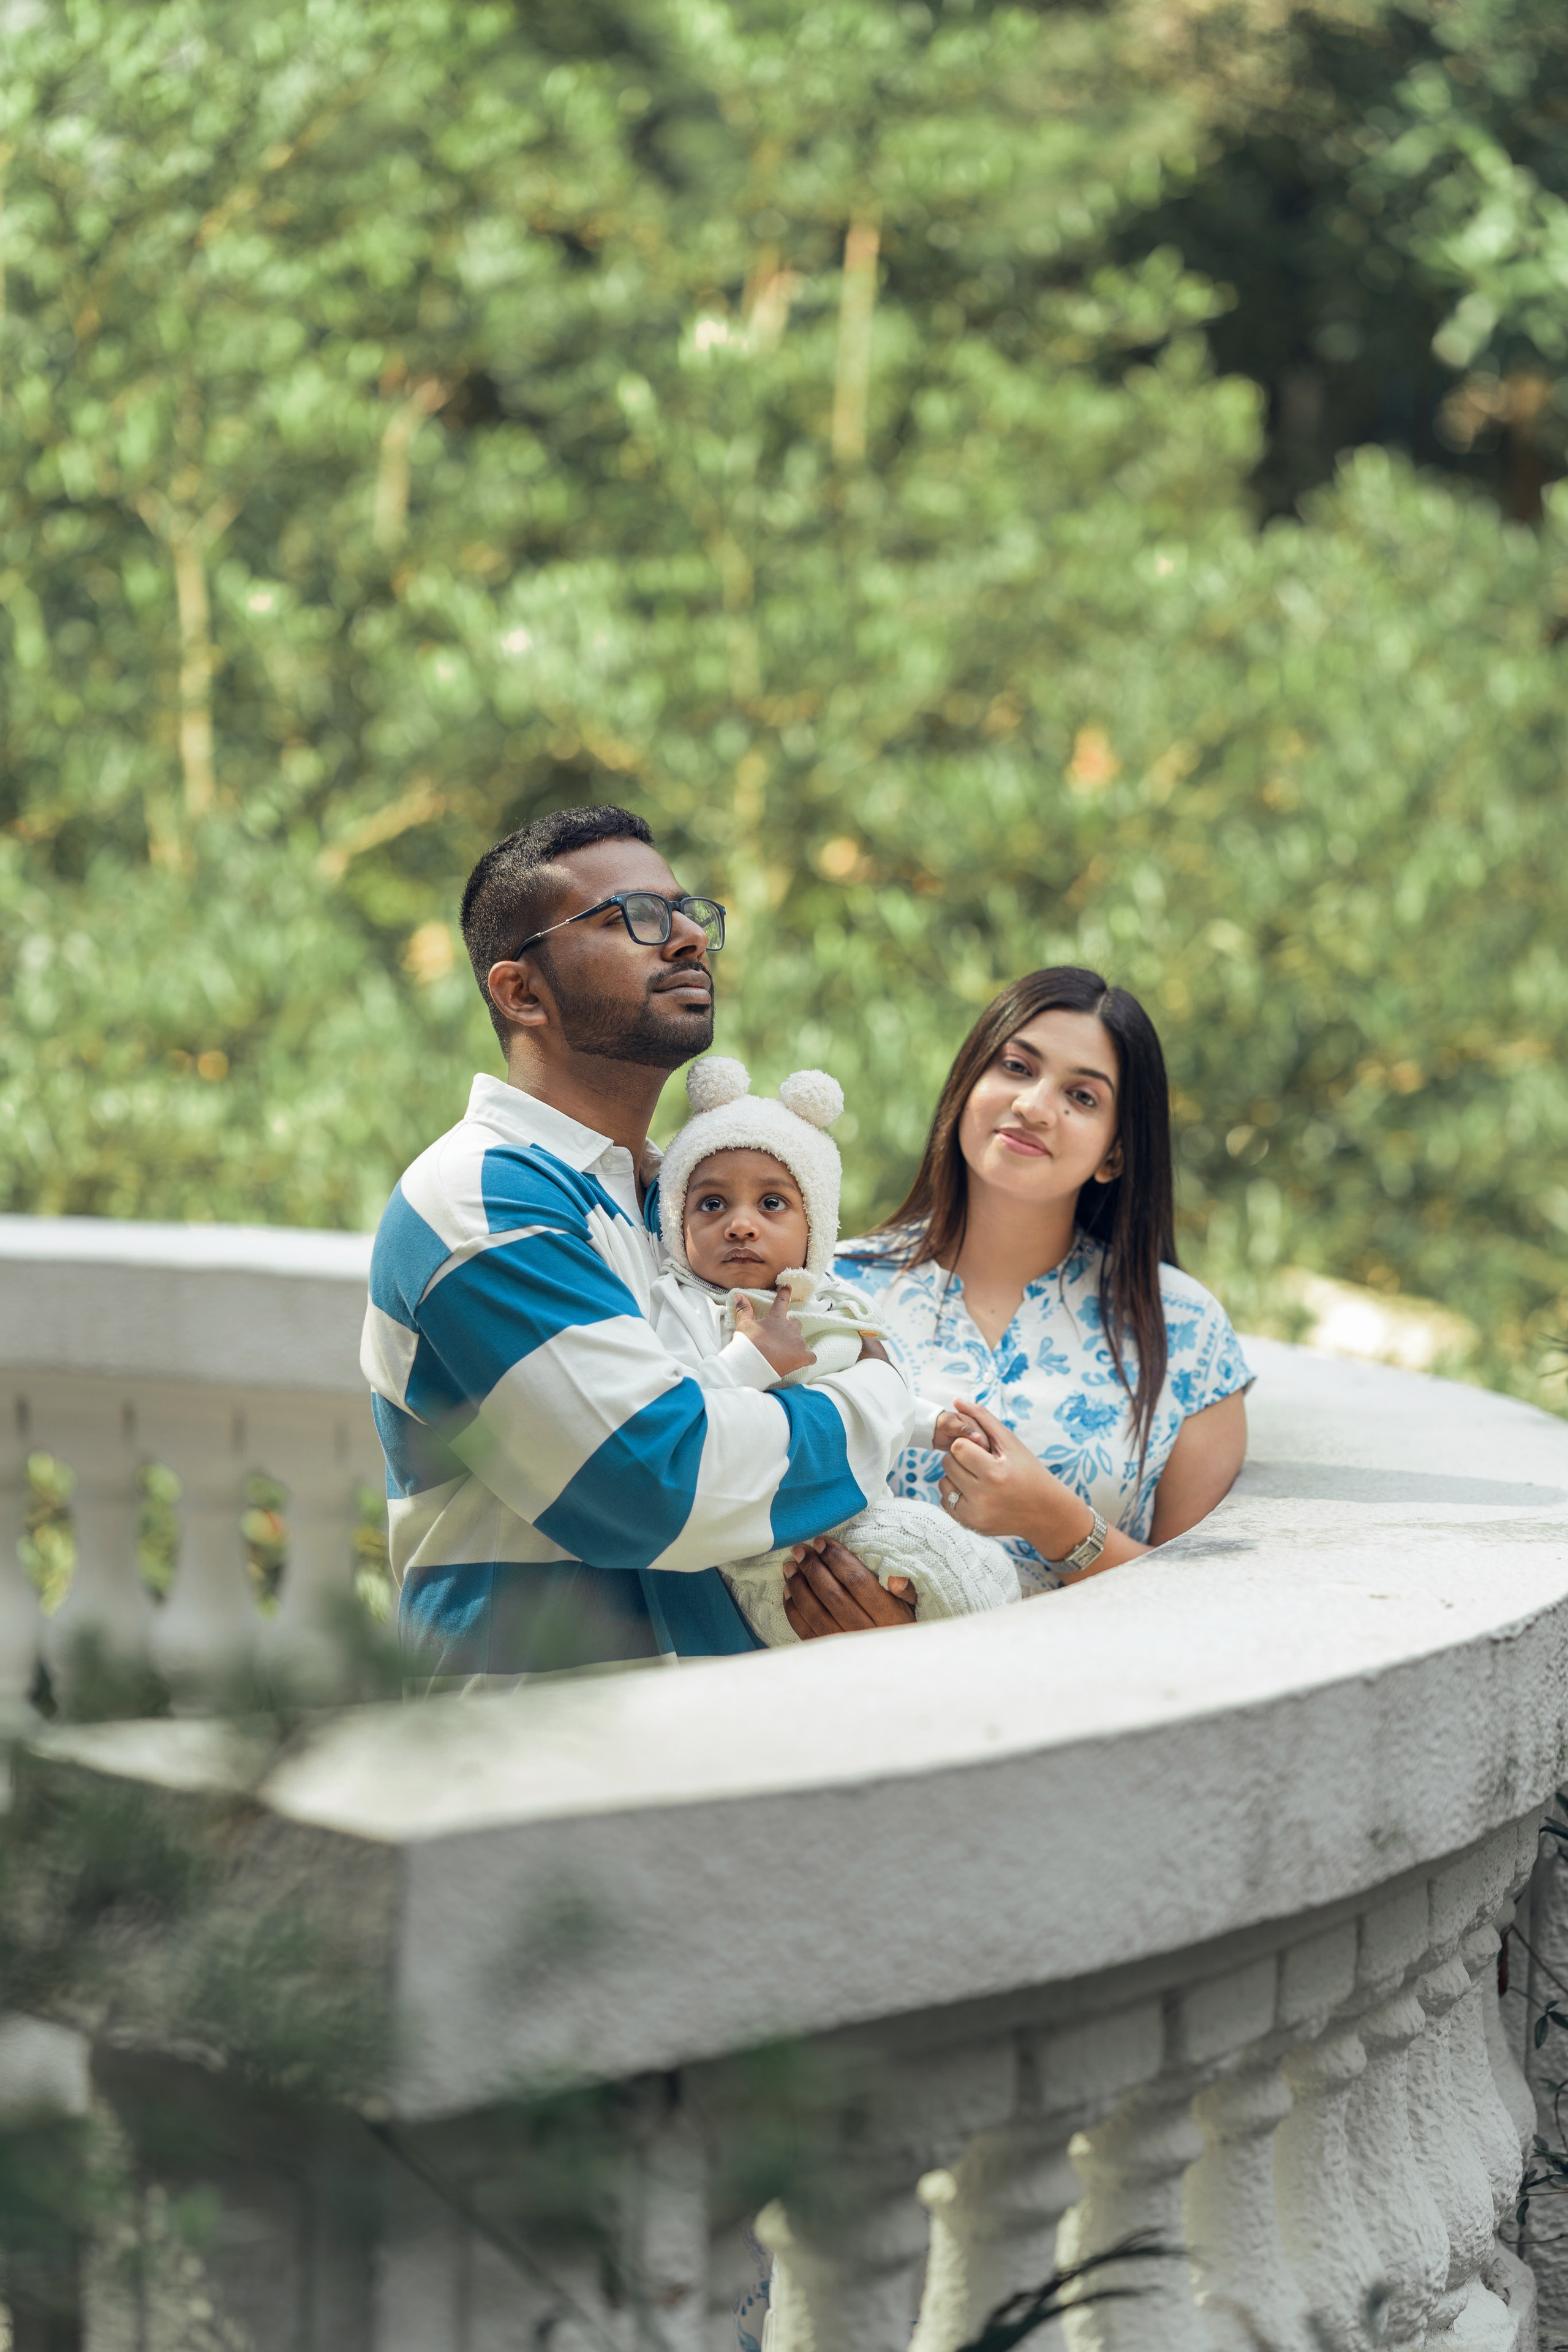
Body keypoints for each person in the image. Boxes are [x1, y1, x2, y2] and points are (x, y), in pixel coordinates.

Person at [360, 802, 922, 1676]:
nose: (689, 940)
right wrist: (881, 1397)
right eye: (636, 919)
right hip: (539, 1760)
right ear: (520, 991)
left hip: (711, 1743)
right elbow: (662, 1485)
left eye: (691, 914)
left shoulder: (684, 1205)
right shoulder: (479, 1200)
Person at [835, 966, 1251, 1594]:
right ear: (966, 1083)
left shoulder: (1187, 1333)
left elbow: (1207, 1604)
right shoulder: (835, 1290)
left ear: (1115, 1152)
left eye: (1082, 1097)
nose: (1033, 1107)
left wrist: (1055, 1523)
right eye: (1015, 1067)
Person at [647, 1054, 1021, 1643]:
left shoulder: (829, 1302)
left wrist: (933, 1424)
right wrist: (752, 1358)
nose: (740, 1224)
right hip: (765, 1550)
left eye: (771, 1204)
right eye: (712, 1204)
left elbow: (869, 1387)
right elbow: (682, 1408)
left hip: (854, 1511)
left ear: (815, 1228)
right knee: (937, 1551)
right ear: (676, 1219)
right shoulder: (683, 1304)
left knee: (981, 1572)